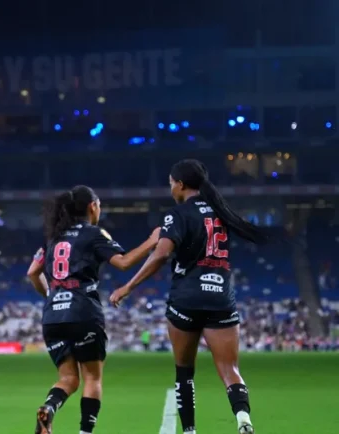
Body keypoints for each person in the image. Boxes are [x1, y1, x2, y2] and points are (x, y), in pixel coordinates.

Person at [110, 159, 268, 434]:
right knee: (230, 369)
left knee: (184, 371)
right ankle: (244, 419)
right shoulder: (222, 213)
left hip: (187, 297)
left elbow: (161, 254)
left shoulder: (177, 214)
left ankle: (190, 431)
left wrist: (128, 287)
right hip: (220, 295)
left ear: (180, 184)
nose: (170, 187)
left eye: (171, 182)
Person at [26, 186, 159, 434]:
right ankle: (85, 432)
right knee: (92, 378)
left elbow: (32, 272)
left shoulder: (54, 237)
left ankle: (49, 407)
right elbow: (123, 262)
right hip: (83, 311)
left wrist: (51, 297)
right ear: (92, 206)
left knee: (68, 379)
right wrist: (152, 242)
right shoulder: (93, 234)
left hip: (54, 315)